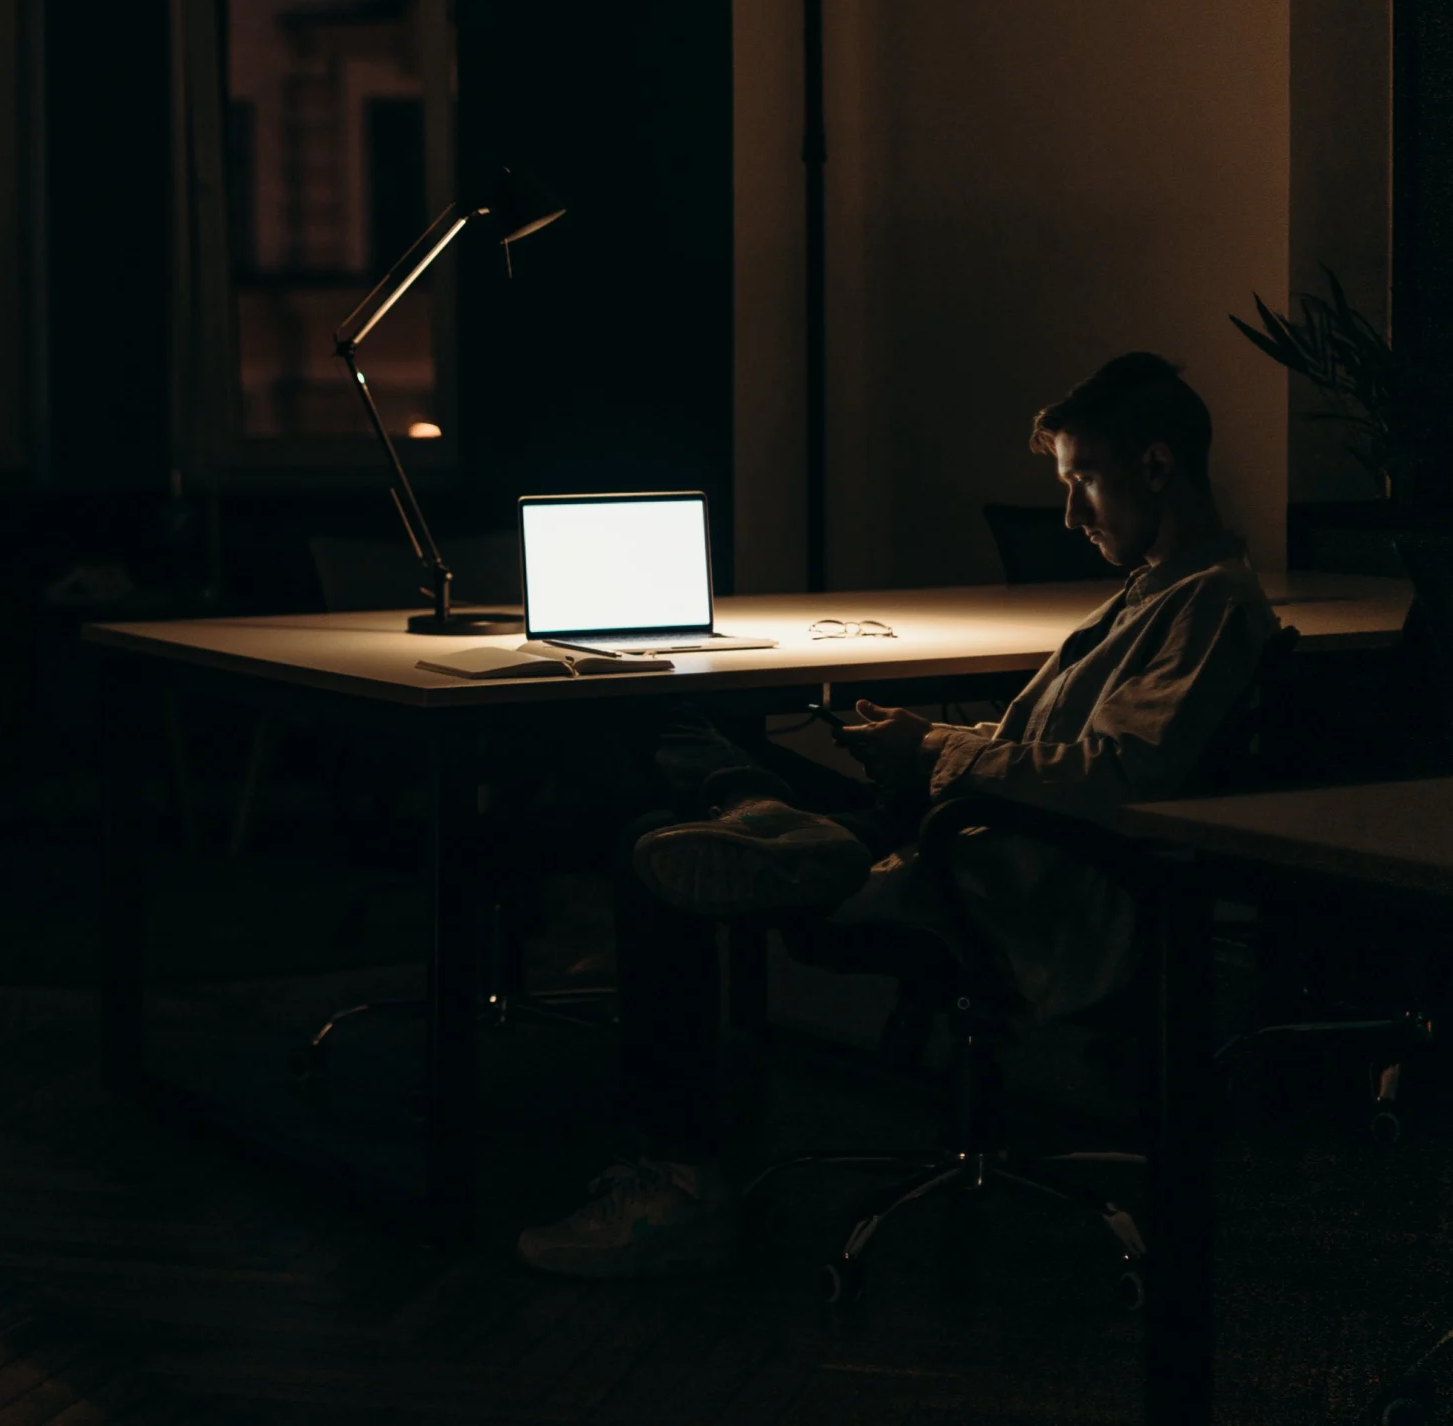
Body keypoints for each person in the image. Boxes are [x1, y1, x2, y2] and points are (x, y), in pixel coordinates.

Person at [517, 352, 1278, 1278]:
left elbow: (1114, 776)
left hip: (996, 869)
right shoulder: (1154, 593)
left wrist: (935, 752)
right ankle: (759, 810)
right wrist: (934, 736)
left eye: (1083, 481)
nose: (1073, 514)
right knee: (654, 708)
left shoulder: (1211, 607)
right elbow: (1070, 744)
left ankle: (677, 1181)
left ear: (1156, 466)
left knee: (646, 848)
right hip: (971, 825)